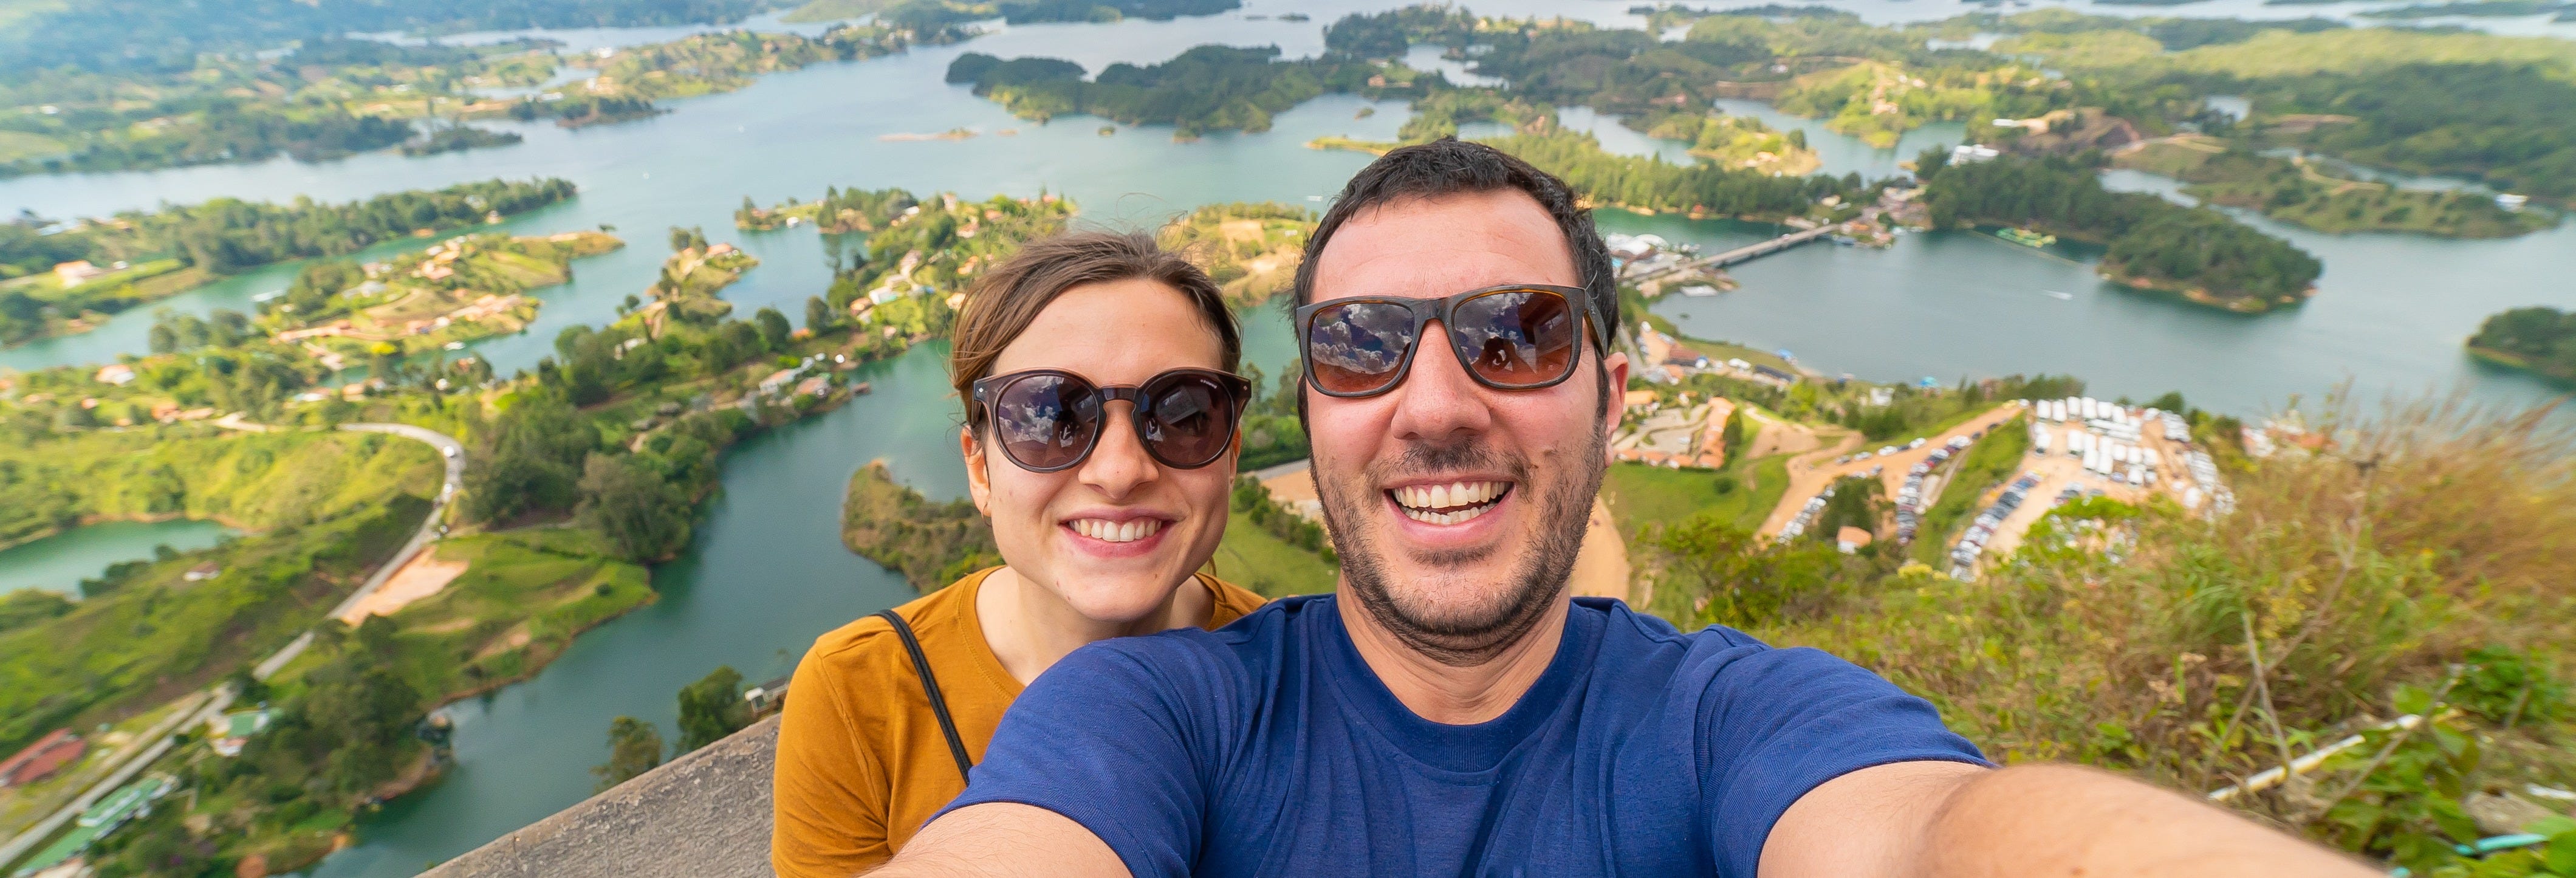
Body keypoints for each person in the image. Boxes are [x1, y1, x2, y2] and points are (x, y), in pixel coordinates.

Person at [873, 140, 2377, 877]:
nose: (1438, 398)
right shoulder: (1153, 713)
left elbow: (1938, 834)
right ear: (1317, 419)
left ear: (1609, 390)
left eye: (1515, 331)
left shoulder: (1733, 721)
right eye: (1361, 342)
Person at [770, 231, 1269, 877]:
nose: (1118, 472)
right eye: (1048, 414)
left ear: (1228, 455)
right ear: (979, 467)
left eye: (1183, 413)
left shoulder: (1290, 676)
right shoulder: (860, 697)